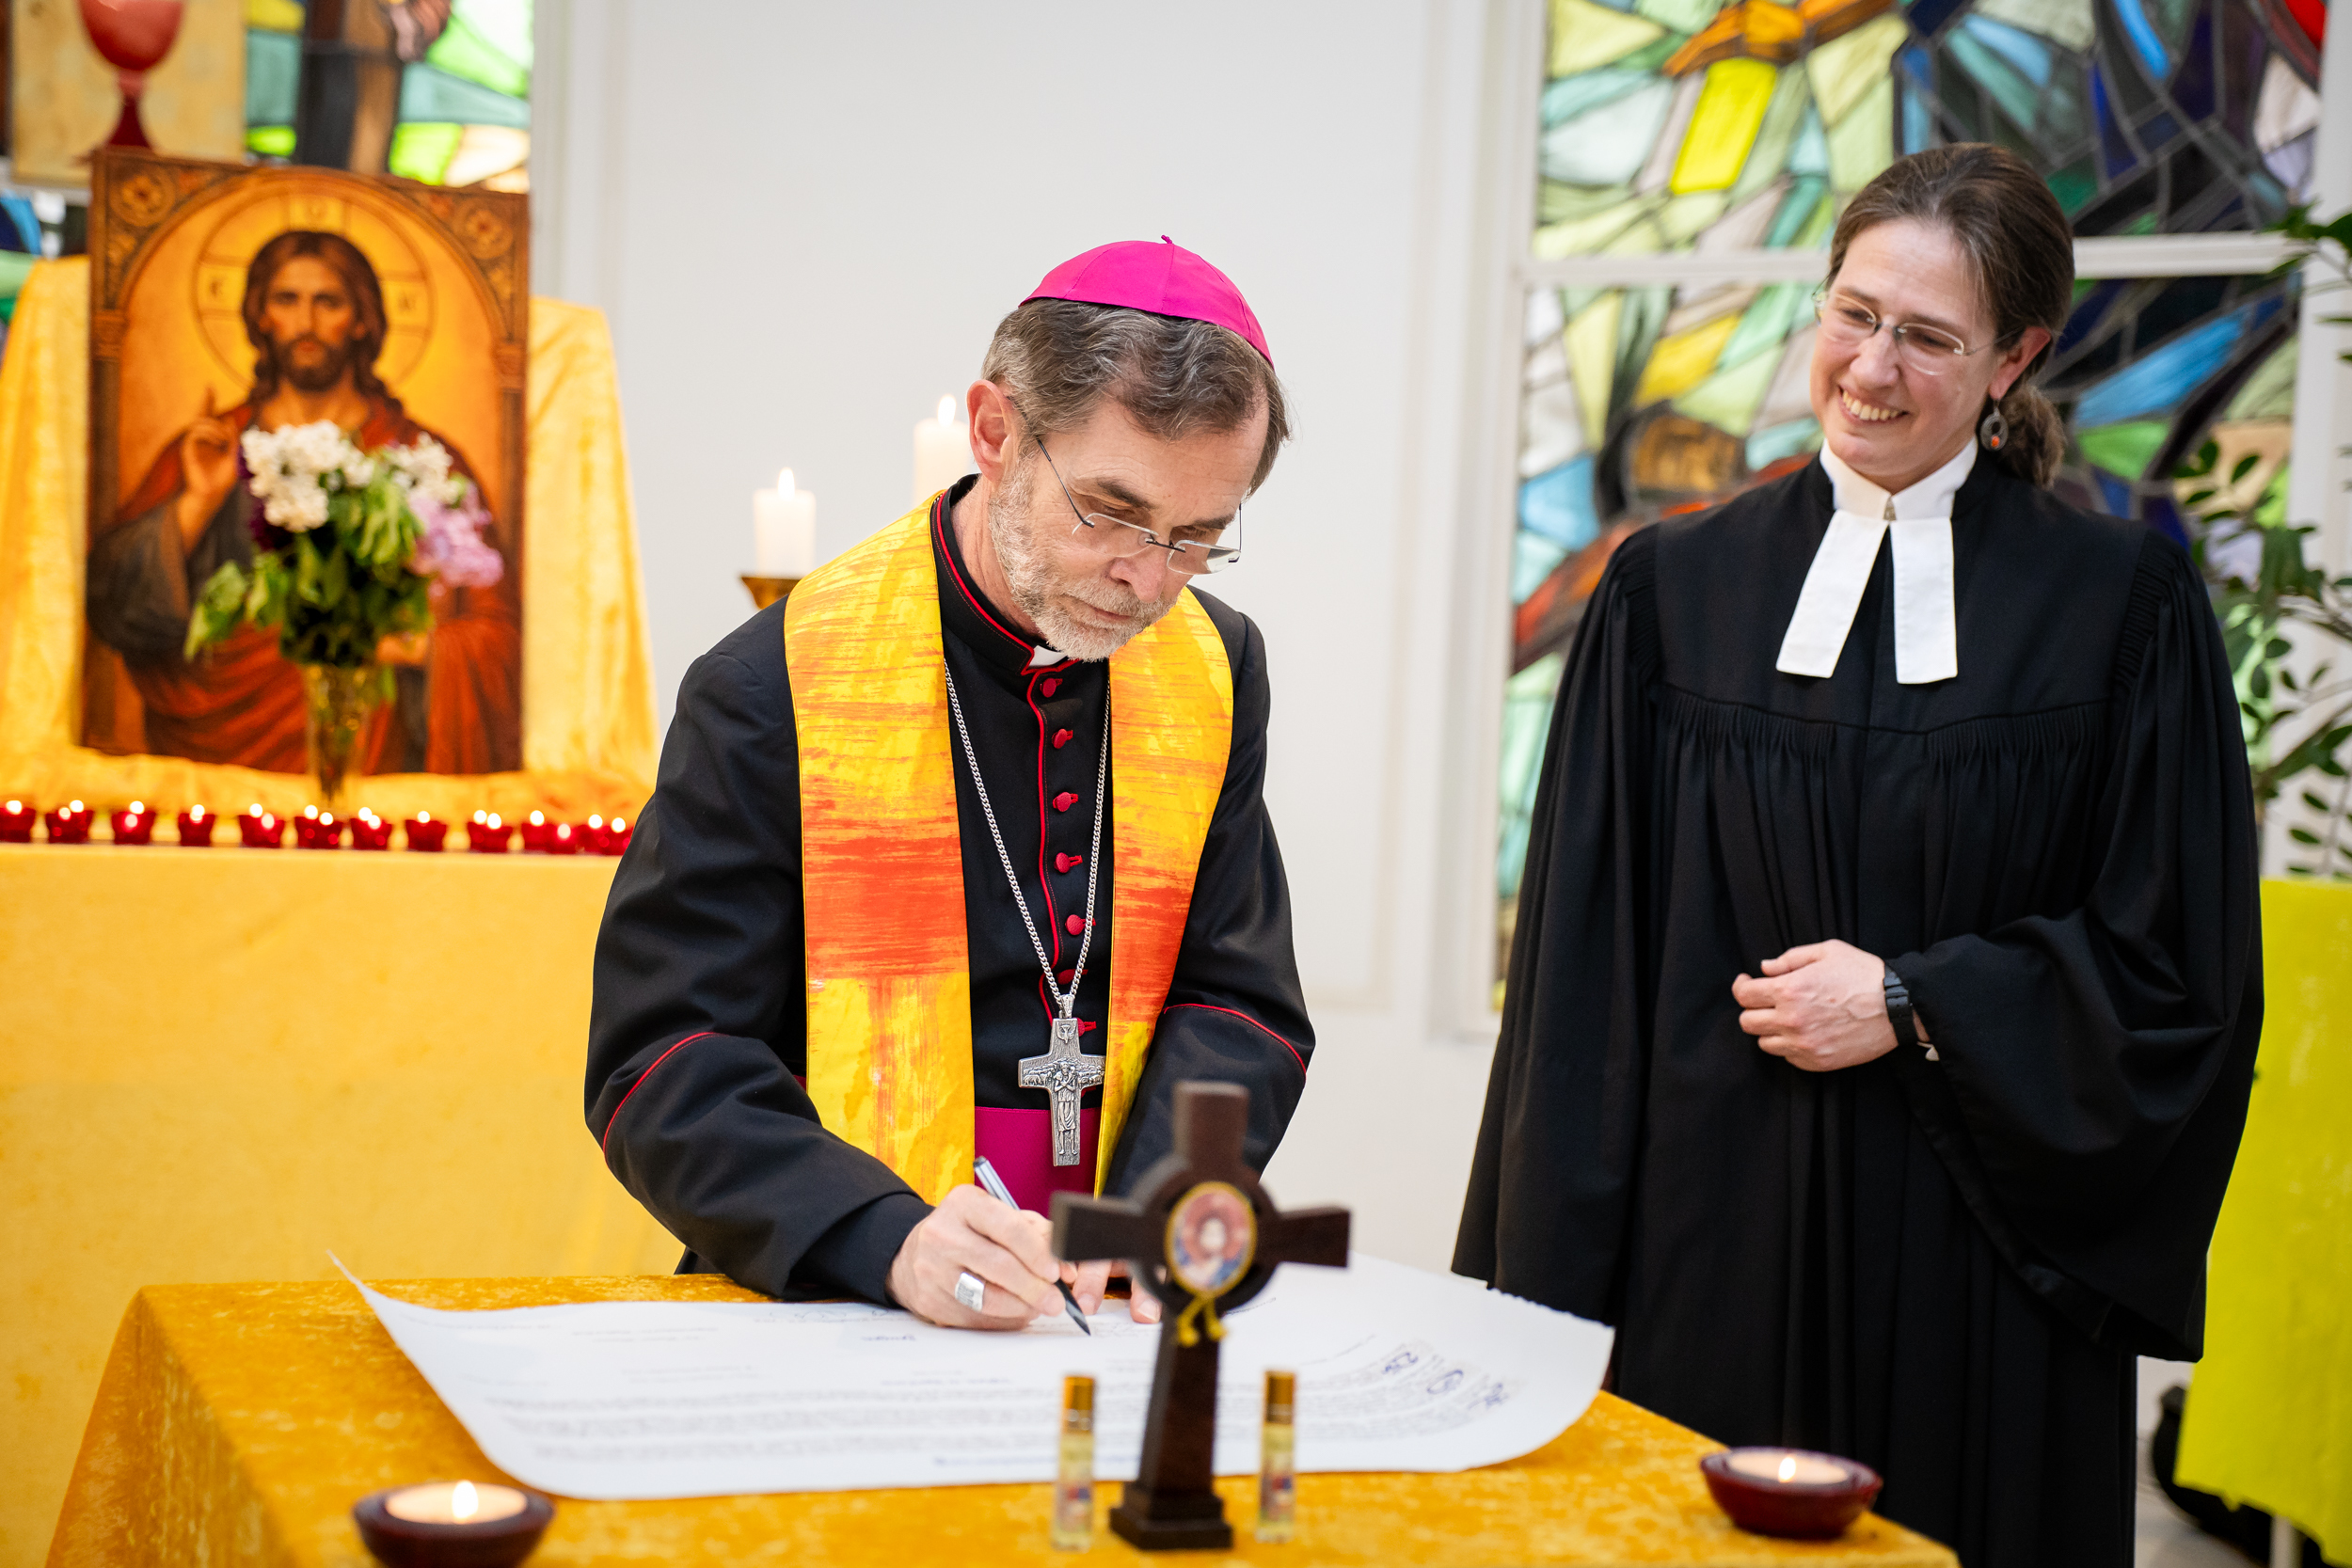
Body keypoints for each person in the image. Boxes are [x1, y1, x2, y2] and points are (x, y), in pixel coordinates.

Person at [1454, 145, 2260, 1568]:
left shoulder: (2118, 610)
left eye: (1929, 337)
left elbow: (2177, 970)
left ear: (2017, 357)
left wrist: (1917, 1000)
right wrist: (1538, 1315)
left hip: (1981, 1277)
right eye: (1854, 314)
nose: (1872, 369)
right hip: (1703, 1255)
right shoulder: (1667, 594)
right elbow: (1576, 990)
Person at [588, 240, 1313, 1332]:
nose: (1147, 577)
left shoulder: (1216, 666)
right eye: (1108, 511)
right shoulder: (773, 683)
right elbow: (662, 1058)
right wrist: (882, 1235)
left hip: (1107, 1308)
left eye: (1197, 536)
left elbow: (1241, 997)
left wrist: (1153, 1196)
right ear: (994, 431)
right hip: (836, 1296)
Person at [87, 230, 520, 773]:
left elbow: (497, 634)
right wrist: (198, 501)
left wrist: (403, 646)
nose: (307, 322)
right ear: (261, 316)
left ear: (361, 320)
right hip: (217, 764)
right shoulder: (213, 448)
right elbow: (111, 606)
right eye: (287, 300)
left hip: (374, 762)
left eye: (328, 302)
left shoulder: (420, 458)